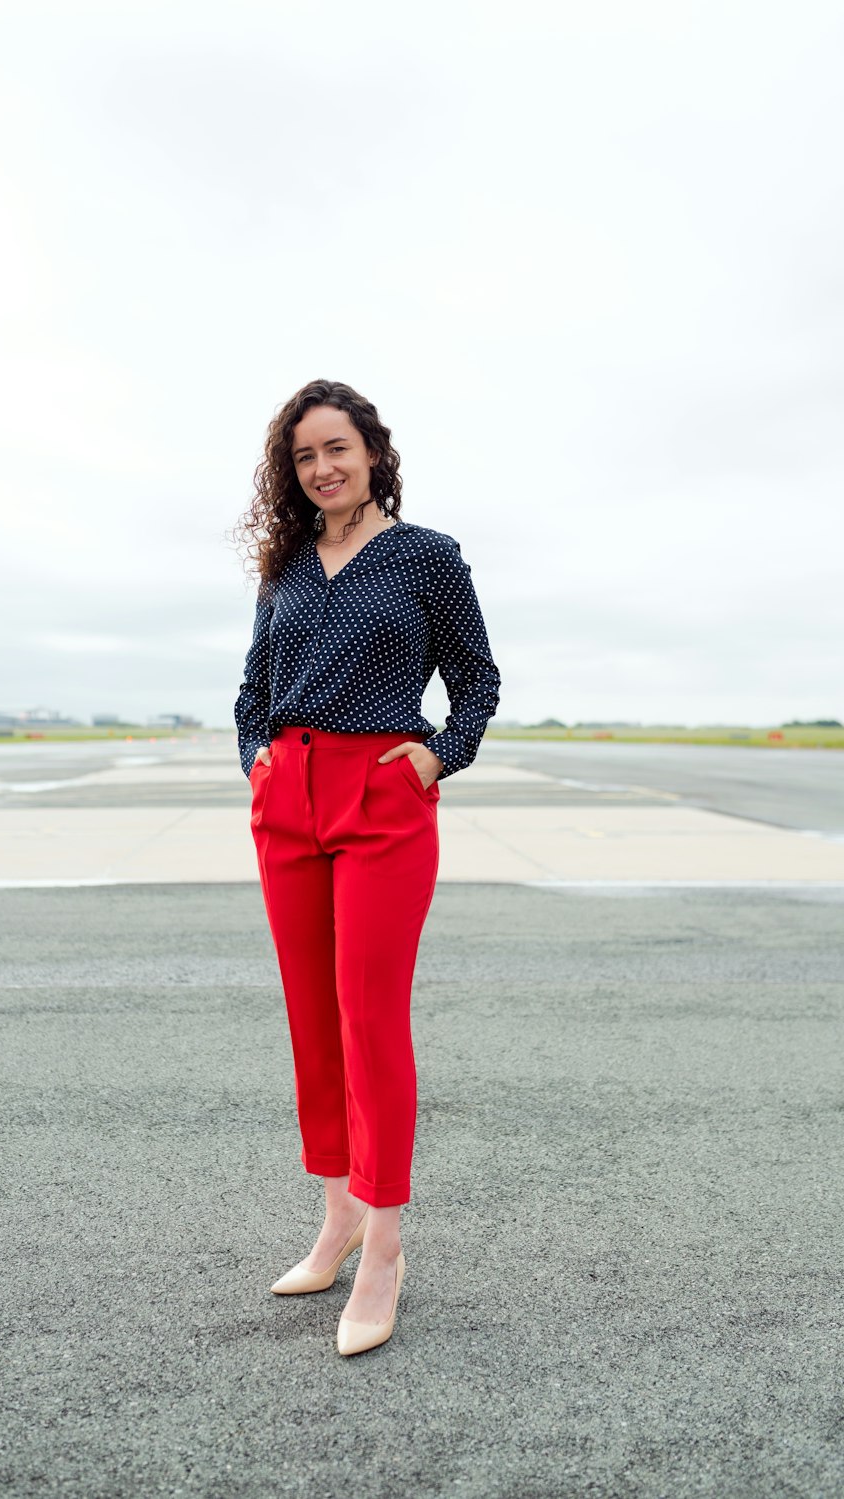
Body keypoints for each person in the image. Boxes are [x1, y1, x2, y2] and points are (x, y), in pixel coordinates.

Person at [233, 378, 500, 1356]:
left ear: (372, 452)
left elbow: (476, 677)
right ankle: (337, 1210)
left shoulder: (426, 559)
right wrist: (254, 755)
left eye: (335, 447)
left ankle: (384, 1241)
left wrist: (439, 752)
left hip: (382, 795)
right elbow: (250, 688)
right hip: (288, 800)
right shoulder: (288, 567)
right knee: (313, 1021)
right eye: (303, 456)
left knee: (368, 1017)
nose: (321, 468)